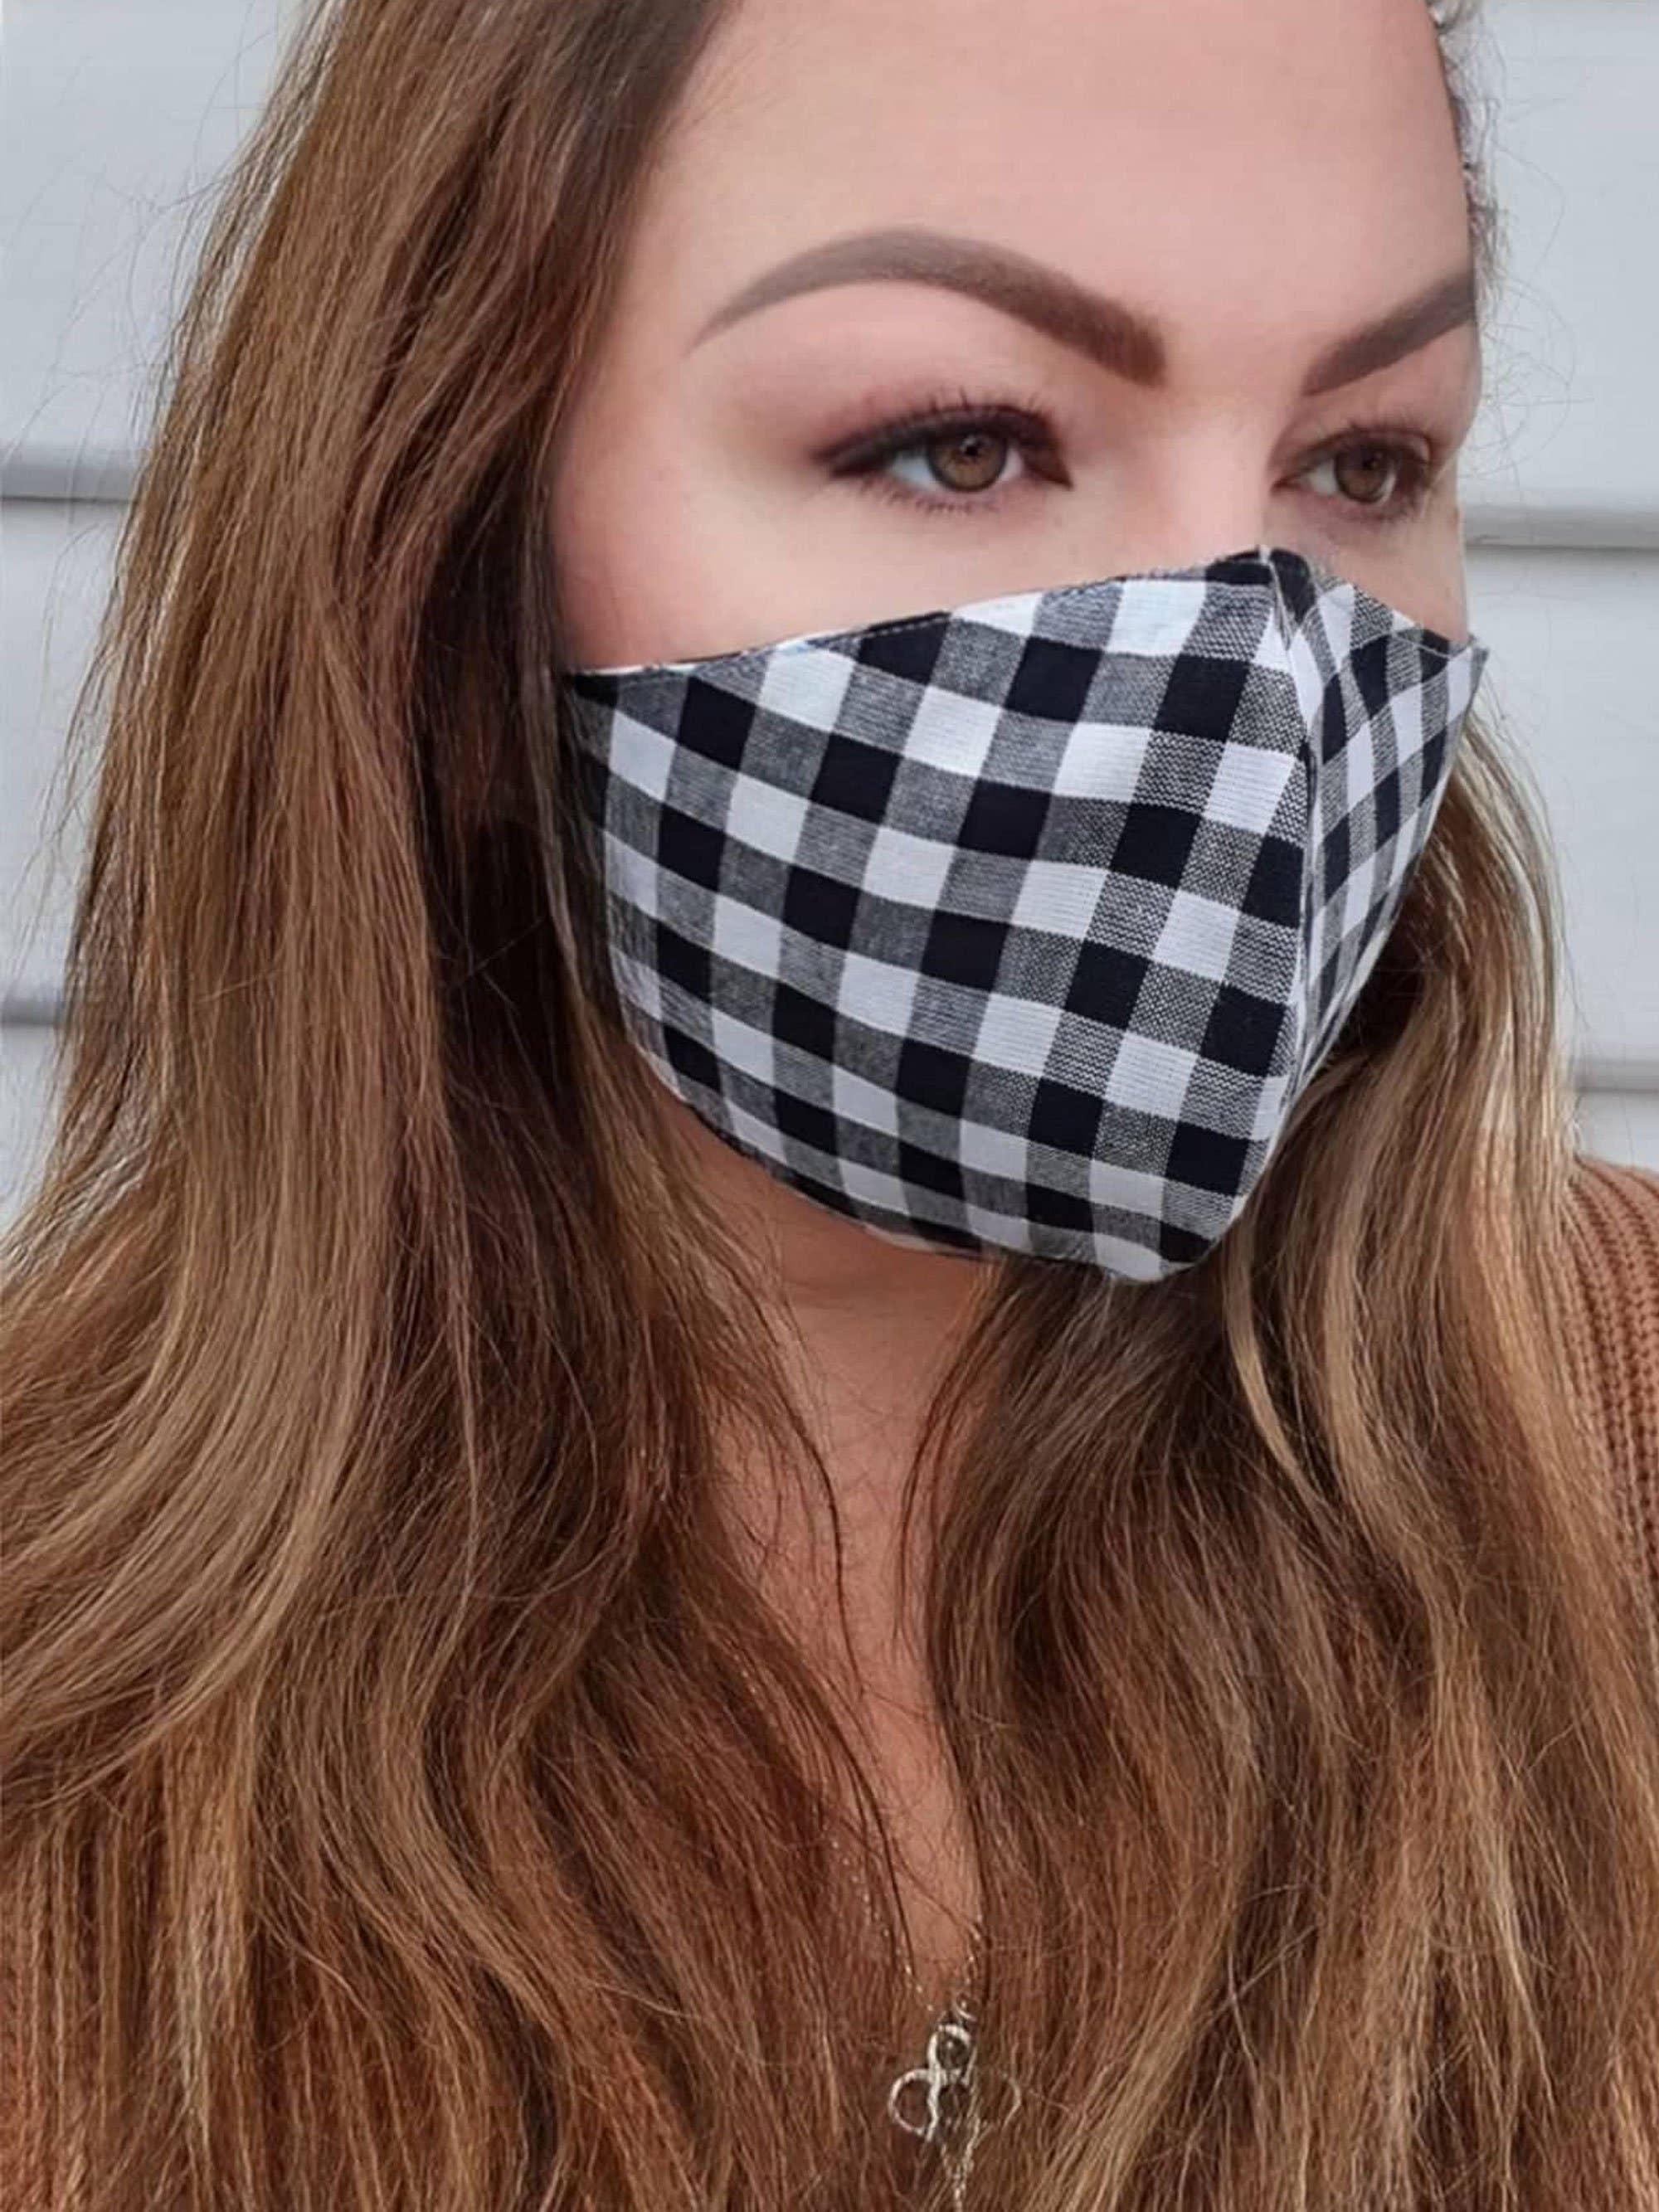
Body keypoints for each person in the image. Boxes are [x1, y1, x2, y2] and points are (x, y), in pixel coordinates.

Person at [4, 0, 1658, 2204]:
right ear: (452, 548)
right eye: (962, 444)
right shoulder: (60, 1707)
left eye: (1359, 464)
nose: (1251, 681)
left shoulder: (1617, 1439)